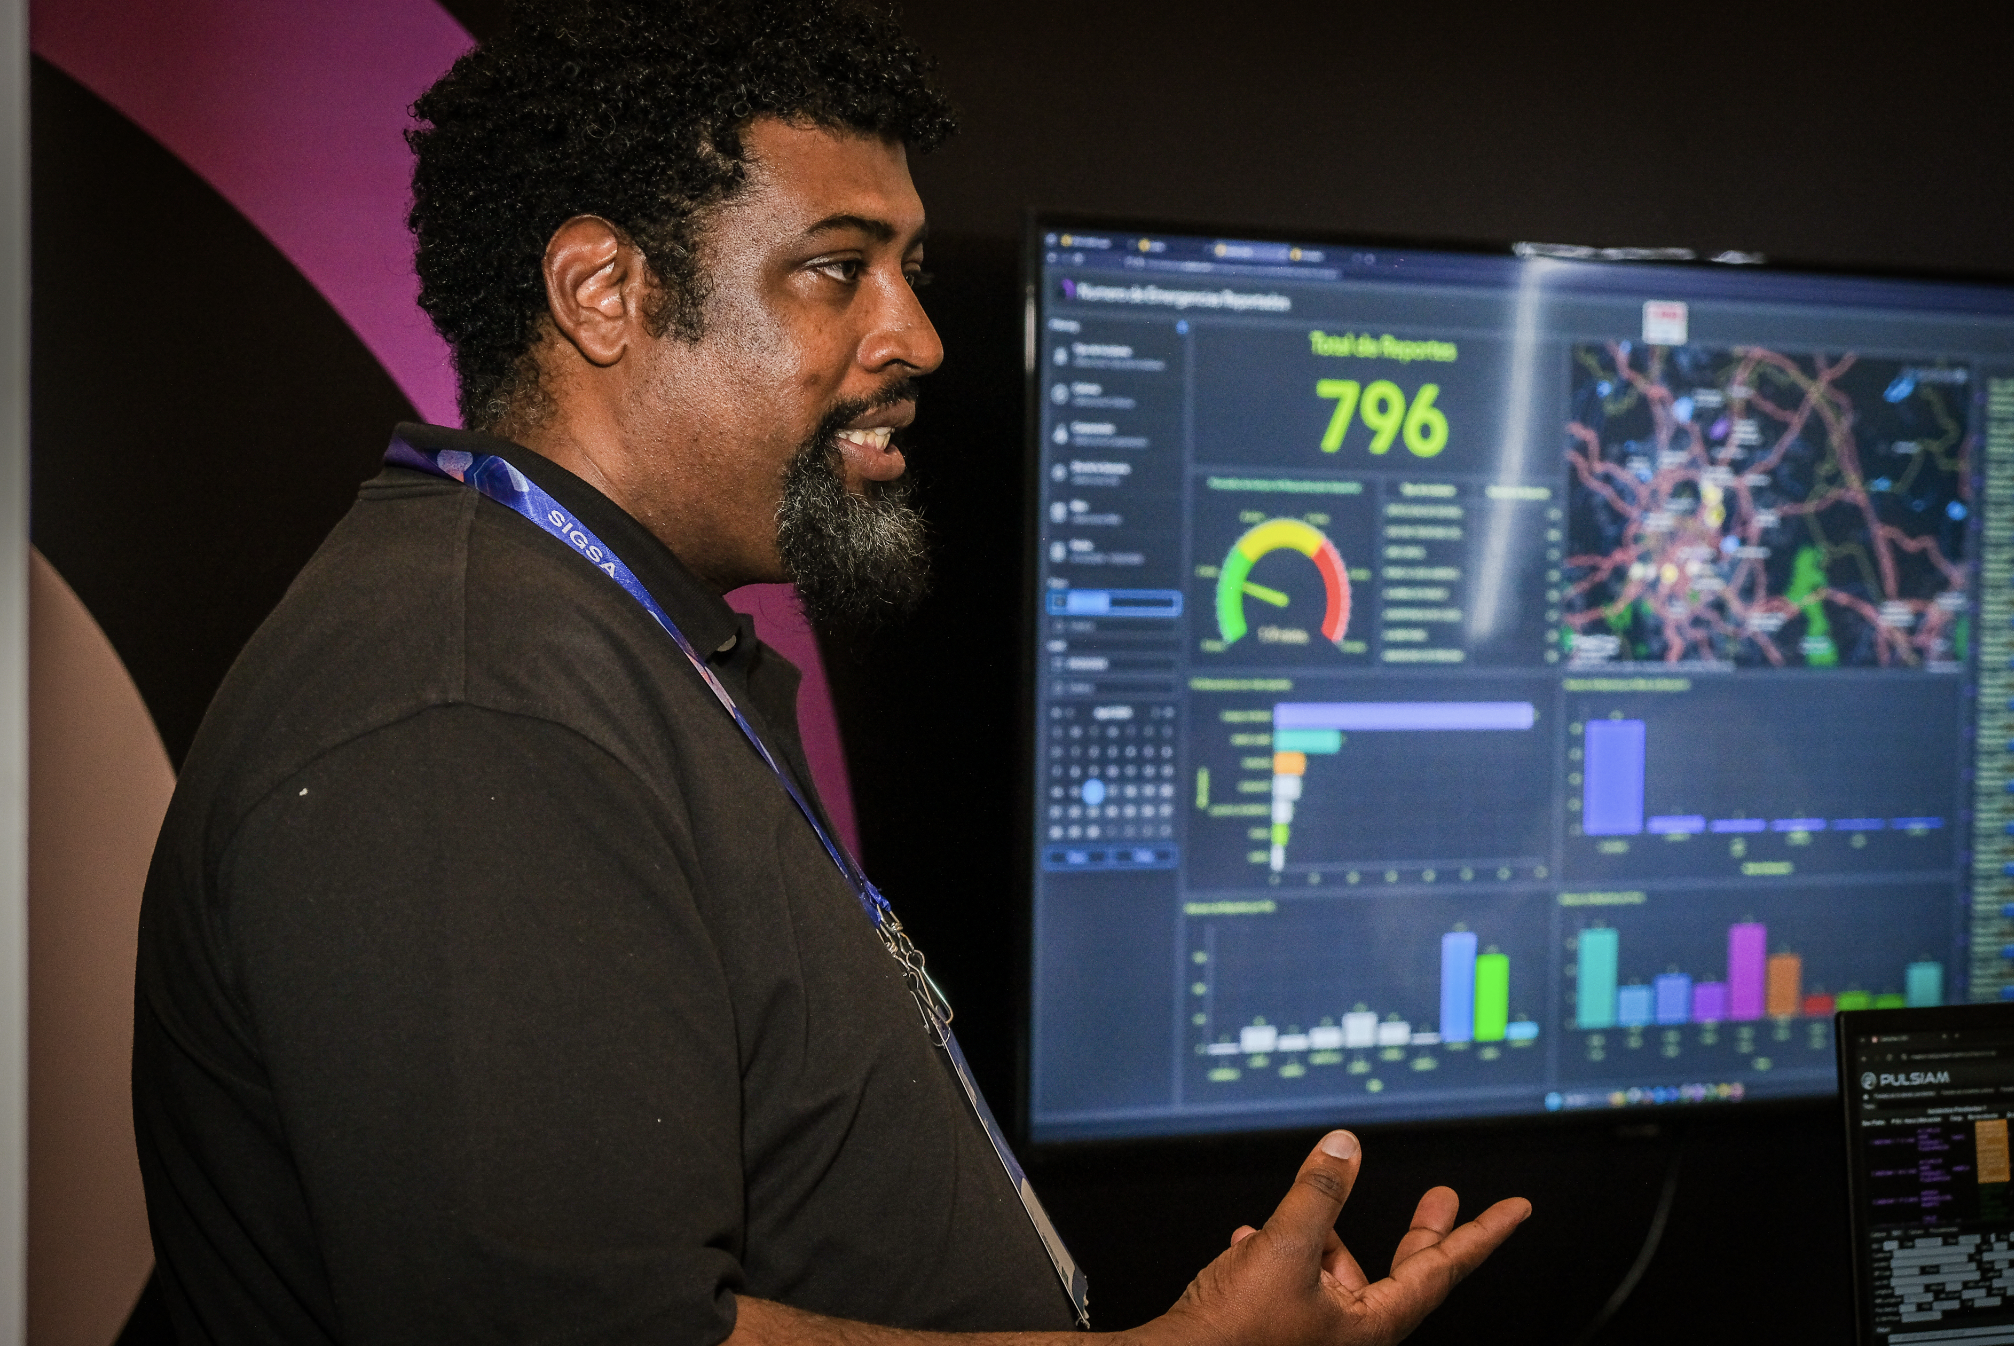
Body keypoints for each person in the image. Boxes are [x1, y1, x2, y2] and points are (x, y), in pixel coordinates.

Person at [131, 2, 1531, 1342]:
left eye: (908, 267)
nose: (915, 335)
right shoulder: (472, 704)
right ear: (603, 291)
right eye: (834, 266)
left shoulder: (601, 638)